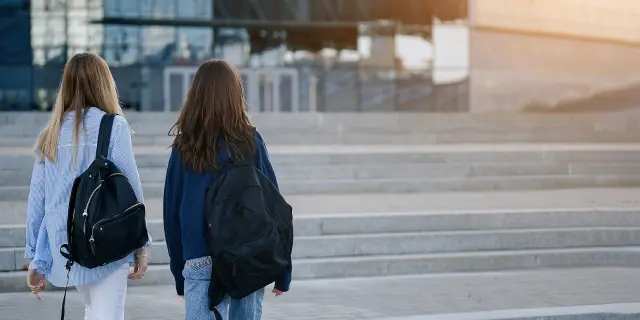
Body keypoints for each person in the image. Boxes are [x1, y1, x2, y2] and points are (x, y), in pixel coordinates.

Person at [24, 52, 150, 320]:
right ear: (104, 83)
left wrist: (37, 258)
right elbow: (131, 188)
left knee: (93, 310)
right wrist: (140, 245)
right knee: (106, 314)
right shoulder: (114, 126)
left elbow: (37, 200)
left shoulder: (50, 133)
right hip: (106, 238)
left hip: (66, 244)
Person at [163, 59, 291, 319]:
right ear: (235, 94)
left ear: (196, 94)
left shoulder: (185, 145)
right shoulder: (250, 141)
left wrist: (180, 272)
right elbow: (275, 210)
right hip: (248, 254)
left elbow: (172, 212)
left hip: (199, 257)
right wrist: (282, 272)